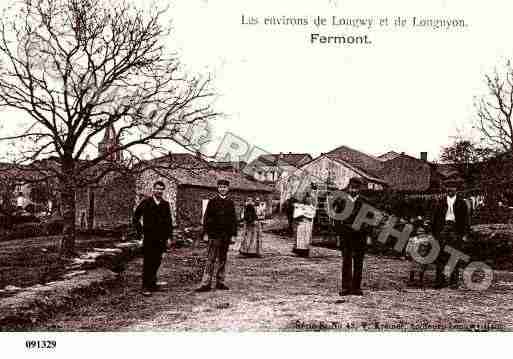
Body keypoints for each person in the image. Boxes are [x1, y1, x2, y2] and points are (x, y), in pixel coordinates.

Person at [196, 179, 238, 292]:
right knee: (210, 259)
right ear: (218, 188)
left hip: (226, 236)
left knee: (222, 259)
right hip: (214, 235)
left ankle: (220, 281)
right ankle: (206, 283)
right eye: (220, 187)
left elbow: (234, 220)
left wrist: (233, 235)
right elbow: (206, 219)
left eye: (224, 187)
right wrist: (205, 233)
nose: (222, 189)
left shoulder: (230, 203)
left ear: (228, 189)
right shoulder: (212, 202)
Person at [332, 177, 372, 296]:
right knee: (346, 261)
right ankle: (346, 287)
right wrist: (338, 235)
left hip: (360, 236)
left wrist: (369, 236)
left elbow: (370, 220)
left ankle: (356, 287)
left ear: (360, 189)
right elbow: (337, 220)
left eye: (357, 187)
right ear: (349, 187)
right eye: (352, 187)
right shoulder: (341, 201)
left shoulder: (365, 201)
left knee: (359, 262)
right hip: (346, 236)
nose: (354, 189)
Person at [133, 181, 173, 296]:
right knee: (148, 262)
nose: (159, 191)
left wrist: (169, 237)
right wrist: (140, 233)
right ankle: (145, 286)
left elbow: (169, 222)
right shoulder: (146, 202)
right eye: (157, 189)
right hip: (149, 237)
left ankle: (152, 283)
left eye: (161, 189)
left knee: (157, 261)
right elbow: (136, 217)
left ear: (163, 191)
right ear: (153, 190)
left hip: (161, 238)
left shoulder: (165, 204)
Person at [431, 184, 470, 289]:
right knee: (440, 256)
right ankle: (440, 281)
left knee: (454, 255)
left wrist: (464, 234)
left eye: (453, 187)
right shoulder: (440, 202)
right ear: (446, 189)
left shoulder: (462, 203)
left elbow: (466, 219)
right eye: (448, 187)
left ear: (456, 189)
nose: (451, 189)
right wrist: (435, 234)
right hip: (443, 229)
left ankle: (453, 281)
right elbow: (435, 218)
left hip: (455, 230)